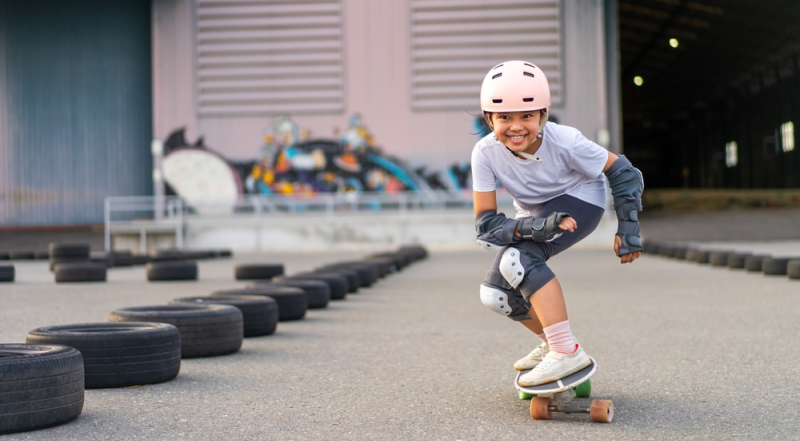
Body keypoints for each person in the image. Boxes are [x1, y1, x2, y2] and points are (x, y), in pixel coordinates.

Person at [471, 60, 644, 387]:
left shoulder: (566, 141)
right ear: (489, 119)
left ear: (543, 115)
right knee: (495, 294)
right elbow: (486, 224)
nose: (516, 127)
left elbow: (623, 172)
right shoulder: (485, 153)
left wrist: (628, 228)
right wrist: (536, 227)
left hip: (580, 199)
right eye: (504, 117)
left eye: (526, 116)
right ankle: (555, 344)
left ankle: (566, 352)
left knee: (518, 258)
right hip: (536, 214)